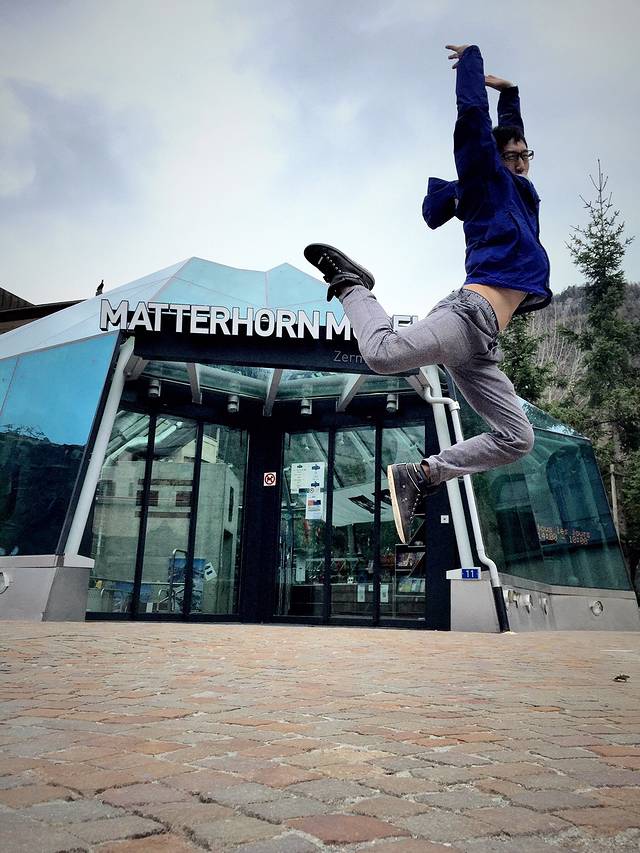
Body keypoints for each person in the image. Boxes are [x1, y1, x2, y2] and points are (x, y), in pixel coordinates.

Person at [304, 44, 552, 544]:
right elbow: (473, 121)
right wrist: (473, 64)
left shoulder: (523, 196)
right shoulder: (486, 182)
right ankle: (351, 283)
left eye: (526, 154)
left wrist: (511, 93)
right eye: (512, 157)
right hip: (467, 316)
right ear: (495, 160)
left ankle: (421, 475)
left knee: (517, 437)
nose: (522, 162)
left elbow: (509, 131)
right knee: (382, 354)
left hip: (481, 344)